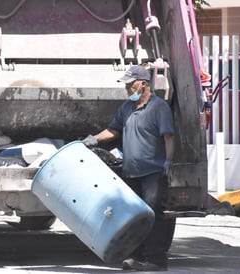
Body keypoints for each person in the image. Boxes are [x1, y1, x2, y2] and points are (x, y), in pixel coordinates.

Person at [82, 65, 175, 271]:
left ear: (143, 83)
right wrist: (93, 139)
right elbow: (113, 131)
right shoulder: (126, 108)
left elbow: (168, 136)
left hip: (152, 172)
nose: (127, 89)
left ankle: (157, 260)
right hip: (131, 172)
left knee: (153, 214)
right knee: (134, 217)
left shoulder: (159, 108)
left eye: (130, 85)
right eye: (126, 86)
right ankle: (138, 257)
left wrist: (168, 160)